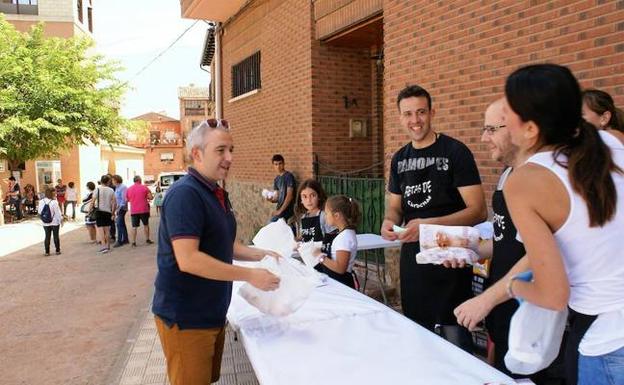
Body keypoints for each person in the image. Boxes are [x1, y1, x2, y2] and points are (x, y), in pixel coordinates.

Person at [454, 64, 624, 385]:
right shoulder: (611, 142)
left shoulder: (527, 180)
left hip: (605, 340)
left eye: (507, 114)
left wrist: (509, 287)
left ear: (530, 129)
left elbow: (552, 294)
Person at [152, 119, 281, 385]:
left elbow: (225, 245)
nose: (229, 158)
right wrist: (250, 275)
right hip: (186, 316)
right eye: (220, 150)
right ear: (197, 154)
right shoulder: (185, 194)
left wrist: (261, 254)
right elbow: (188, 259)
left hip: (211, 311)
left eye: (231, 149)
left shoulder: (215, 192)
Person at [379, 84, 487, 350]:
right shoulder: (399, 159)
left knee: (455, 337)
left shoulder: (455, 152)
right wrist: (388, 221)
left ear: (432, 112)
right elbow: (395, 206)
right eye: (408, 114)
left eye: (421, 112)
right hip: (413, 256)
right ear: (400, 117)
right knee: (417, 333)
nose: (415, 120)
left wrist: (428, 225)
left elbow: (478, 211)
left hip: (450, 255)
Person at [316, 195, 360, 289]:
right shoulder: (345, 234)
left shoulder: (344, 237)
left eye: (327, 213)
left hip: (342, 284)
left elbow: (340, 268)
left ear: (336, 215)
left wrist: (320, 257)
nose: (325, 216)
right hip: (337, 282)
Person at [293, 179, 336, 250]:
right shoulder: (303, 217)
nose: (309, 200)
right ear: (301, 200)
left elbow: (333, 237)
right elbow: (303, 236)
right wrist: (294, 241)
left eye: (312, 195)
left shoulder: (324, 216)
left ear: (319, 196)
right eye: (304, 196)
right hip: (308, 257)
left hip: (323, 256)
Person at [266, 154, 296, 223]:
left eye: (280, 163)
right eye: (276, 164)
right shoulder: (276, 179)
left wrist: (280, 211)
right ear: (273, 166)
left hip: (288, 209)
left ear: (284, 164)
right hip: (280, 209)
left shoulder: (289, 176)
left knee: (271, 224)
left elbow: (290, 196)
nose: (278, 166)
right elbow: (277, 197)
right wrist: (271, 200)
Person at [126, 175, 153, 247]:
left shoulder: (129, 189)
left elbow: (127, 200)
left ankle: (133, 242)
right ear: (139, 180)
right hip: (144, 209)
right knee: (146, 225)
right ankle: (147, 239)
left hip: (134, 210)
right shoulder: (144, 187)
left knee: (134, 227)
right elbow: (150, 197)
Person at [92, 175, 117, 253]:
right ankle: (108, 246)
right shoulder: (111, 190)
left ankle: (104, 247)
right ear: (108, 181)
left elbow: (93, 201)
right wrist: (113, 213)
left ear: (101, 181)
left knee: (100, 230)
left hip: (99, 212)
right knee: (107, 230)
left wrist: (89, 211)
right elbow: (114, 203)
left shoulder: (97, 190)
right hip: (108, 212)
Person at [38, 187, 63, 256]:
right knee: (56, 236)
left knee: (47, 236)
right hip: (55, 222)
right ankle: (57, 251)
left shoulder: (41, 201)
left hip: (45, 222)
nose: (56, 193)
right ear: (52, 193)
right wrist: (61, 220)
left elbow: (39, 212)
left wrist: (43, 219)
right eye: (55, 192)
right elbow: (57, 213)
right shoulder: (54, 202)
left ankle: (47, 252)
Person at [112, 175, 129, 247]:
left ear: (116, 180)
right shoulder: (117, 187)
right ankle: (125, 239)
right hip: (119, 207)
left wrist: (119, 208)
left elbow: (124, 199)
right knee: (121, 223)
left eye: (113, 180)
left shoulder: (123, 187)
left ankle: (119, 240)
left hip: (122, 208)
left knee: (118, 224)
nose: (112, 182)